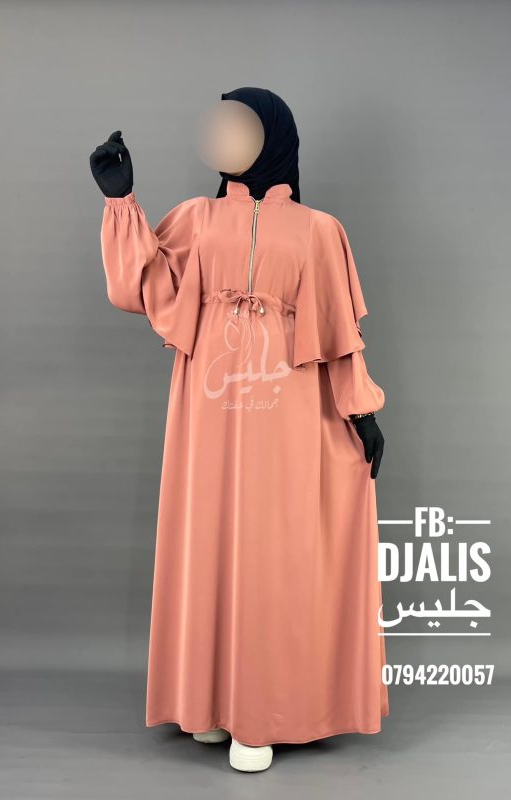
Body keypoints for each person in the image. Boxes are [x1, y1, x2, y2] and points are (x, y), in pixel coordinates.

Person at [90, 86, 389, 773]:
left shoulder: (319, 230)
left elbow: (340, 334)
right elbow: (140, 284)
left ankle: (263, 712)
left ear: (274, 135)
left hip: (289, 412)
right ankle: (210, 702)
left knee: (273, 553)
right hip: (210, 410)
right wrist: (121, 202)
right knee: (211, 541)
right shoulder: (196, 219)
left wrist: (361, 410)